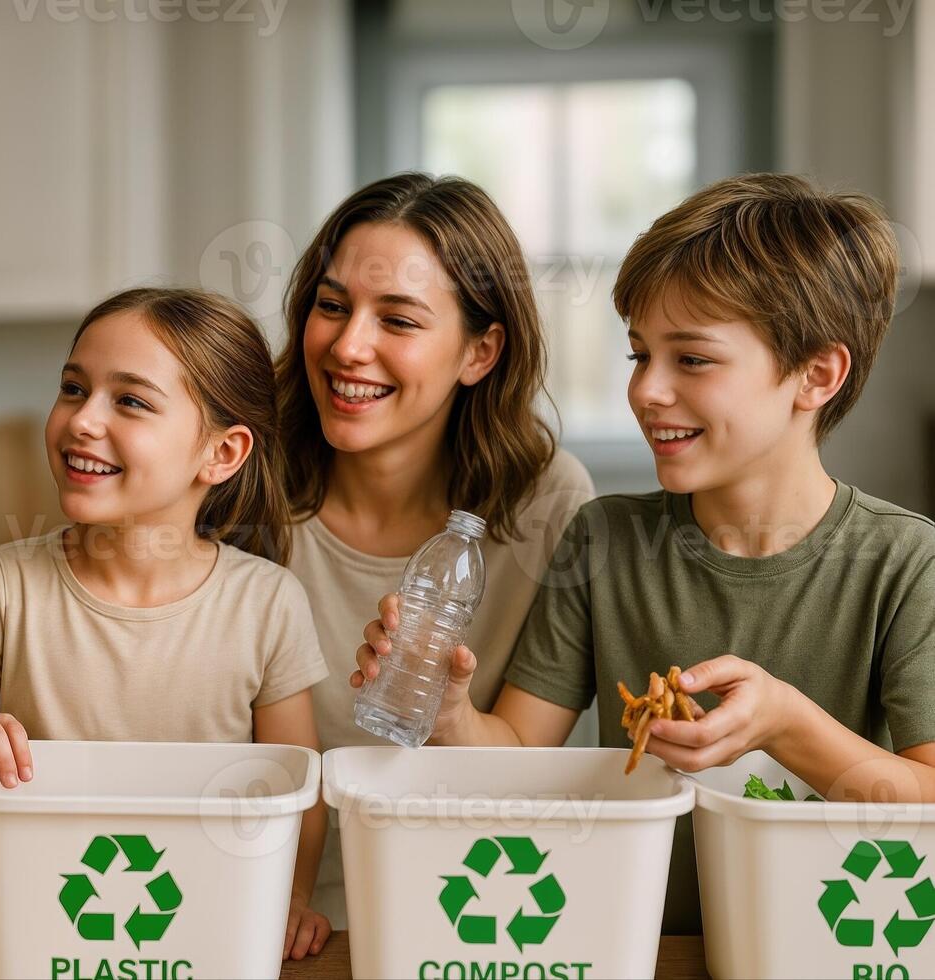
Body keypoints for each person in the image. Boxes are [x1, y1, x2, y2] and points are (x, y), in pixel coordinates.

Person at [356, 173, 935, 933]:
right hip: (631, 943)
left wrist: (786, 723)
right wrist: (450, 711)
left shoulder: (903, 561)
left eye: (691, 360)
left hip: (829, 946)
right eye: (638, 356)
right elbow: (520, 752)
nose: (647, 392)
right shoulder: (604, 540)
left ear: (816, 376)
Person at [0, 288, 334, 960]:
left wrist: (294, 898)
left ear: (221, 453)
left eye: (129, 401)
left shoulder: (267, 604)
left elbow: (294, 791)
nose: (81, 420)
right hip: (10, 947)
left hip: (196, 944)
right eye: (73, 388)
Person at [273, 173, 593, 926]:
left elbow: (524, 771)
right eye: (331, 306)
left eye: (399, 321)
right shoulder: (235, 482)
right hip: (256, 911)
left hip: (465, 914)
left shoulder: (546, 503)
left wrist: (449, 712)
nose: (349, 346)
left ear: (480, 352)